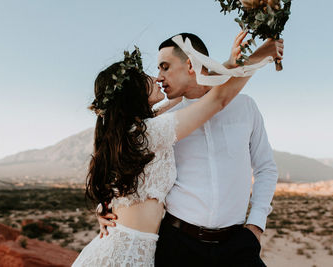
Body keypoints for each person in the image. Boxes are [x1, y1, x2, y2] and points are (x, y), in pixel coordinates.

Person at [88, 32, 283, 267]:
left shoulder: (245, 107)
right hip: (178, 245)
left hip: (237, 244)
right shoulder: (161, 123)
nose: (158, 77)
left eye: (164, 67)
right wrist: (257, 57)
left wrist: (256, 225)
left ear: (190, 64)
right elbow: (218, 99)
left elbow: (266, 168)